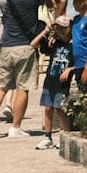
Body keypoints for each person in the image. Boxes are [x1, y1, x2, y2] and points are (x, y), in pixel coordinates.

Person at [0, 0, 56, 139]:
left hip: (7, 47)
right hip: (25, 46)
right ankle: (15, 127)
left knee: (1, 87)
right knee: (23, 88)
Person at [34, 14, 74, 150]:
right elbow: (33, 44)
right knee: (47, 108)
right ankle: (47, 136)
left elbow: (80, 62)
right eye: (58, 28)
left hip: (62, 83)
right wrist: (46, 31)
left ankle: (66, 135)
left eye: (64, 28)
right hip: (50, 80)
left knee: (59, 108)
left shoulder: (73, 45)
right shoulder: (53, 43)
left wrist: (69, 70)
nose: (61, 31)